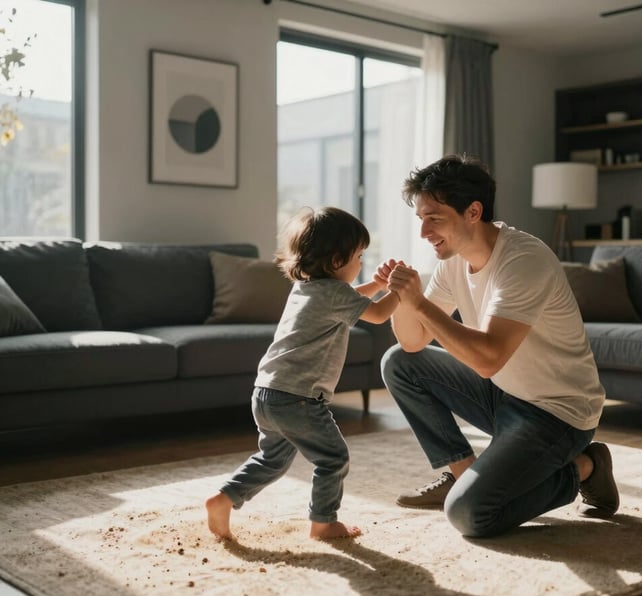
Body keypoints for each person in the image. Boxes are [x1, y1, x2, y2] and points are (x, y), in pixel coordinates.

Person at [377, 154, 619, 538]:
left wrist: (420, 302)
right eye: (420, 218)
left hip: (556, 414)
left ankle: (587, 466)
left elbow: (488, 358)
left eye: (434, 218)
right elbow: (412, 342)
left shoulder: (524, 260)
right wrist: (405, 299)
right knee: (399, 363)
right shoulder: (452, 263)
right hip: (503, 394)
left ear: (473, 212)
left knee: (470, 515)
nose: (424, 232)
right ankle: (461, 473)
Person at [206, 206, 401, 541]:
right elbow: (380, 314)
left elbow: (350, 299)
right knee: (333, 458)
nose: (361, 264)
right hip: (300, 399)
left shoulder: (307, 288)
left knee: (272, 460)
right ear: (338, 261)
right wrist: (400, 289)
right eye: (359, 256)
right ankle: (324, 523)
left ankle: (225, 498)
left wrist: (377, 283)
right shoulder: (336, 294)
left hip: (267, 393)